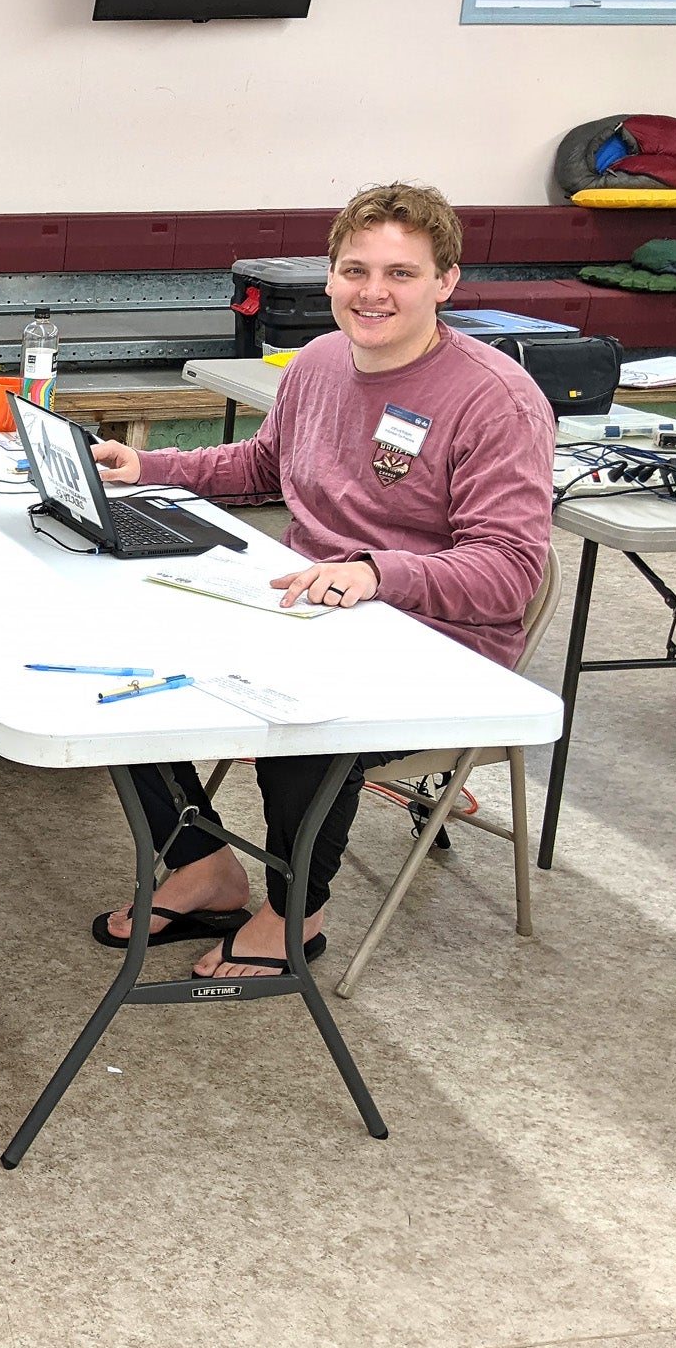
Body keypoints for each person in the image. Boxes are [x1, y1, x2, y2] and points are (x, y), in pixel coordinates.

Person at [87, 183, 555, 980]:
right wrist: (150, 466)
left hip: (440, 641)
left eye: (400, 274)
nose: (373, 293)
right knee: (121, 657)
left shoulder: (496, 402)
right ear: (329, 277)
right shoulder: (319, 360)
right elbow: (265, 465)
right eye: (354, 270)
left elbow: (508, 573)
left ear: (445, 282)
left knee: (298, 715)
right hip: (308, 599)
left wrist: (375, 574)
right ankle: (200, 862)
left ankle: (295, 910)